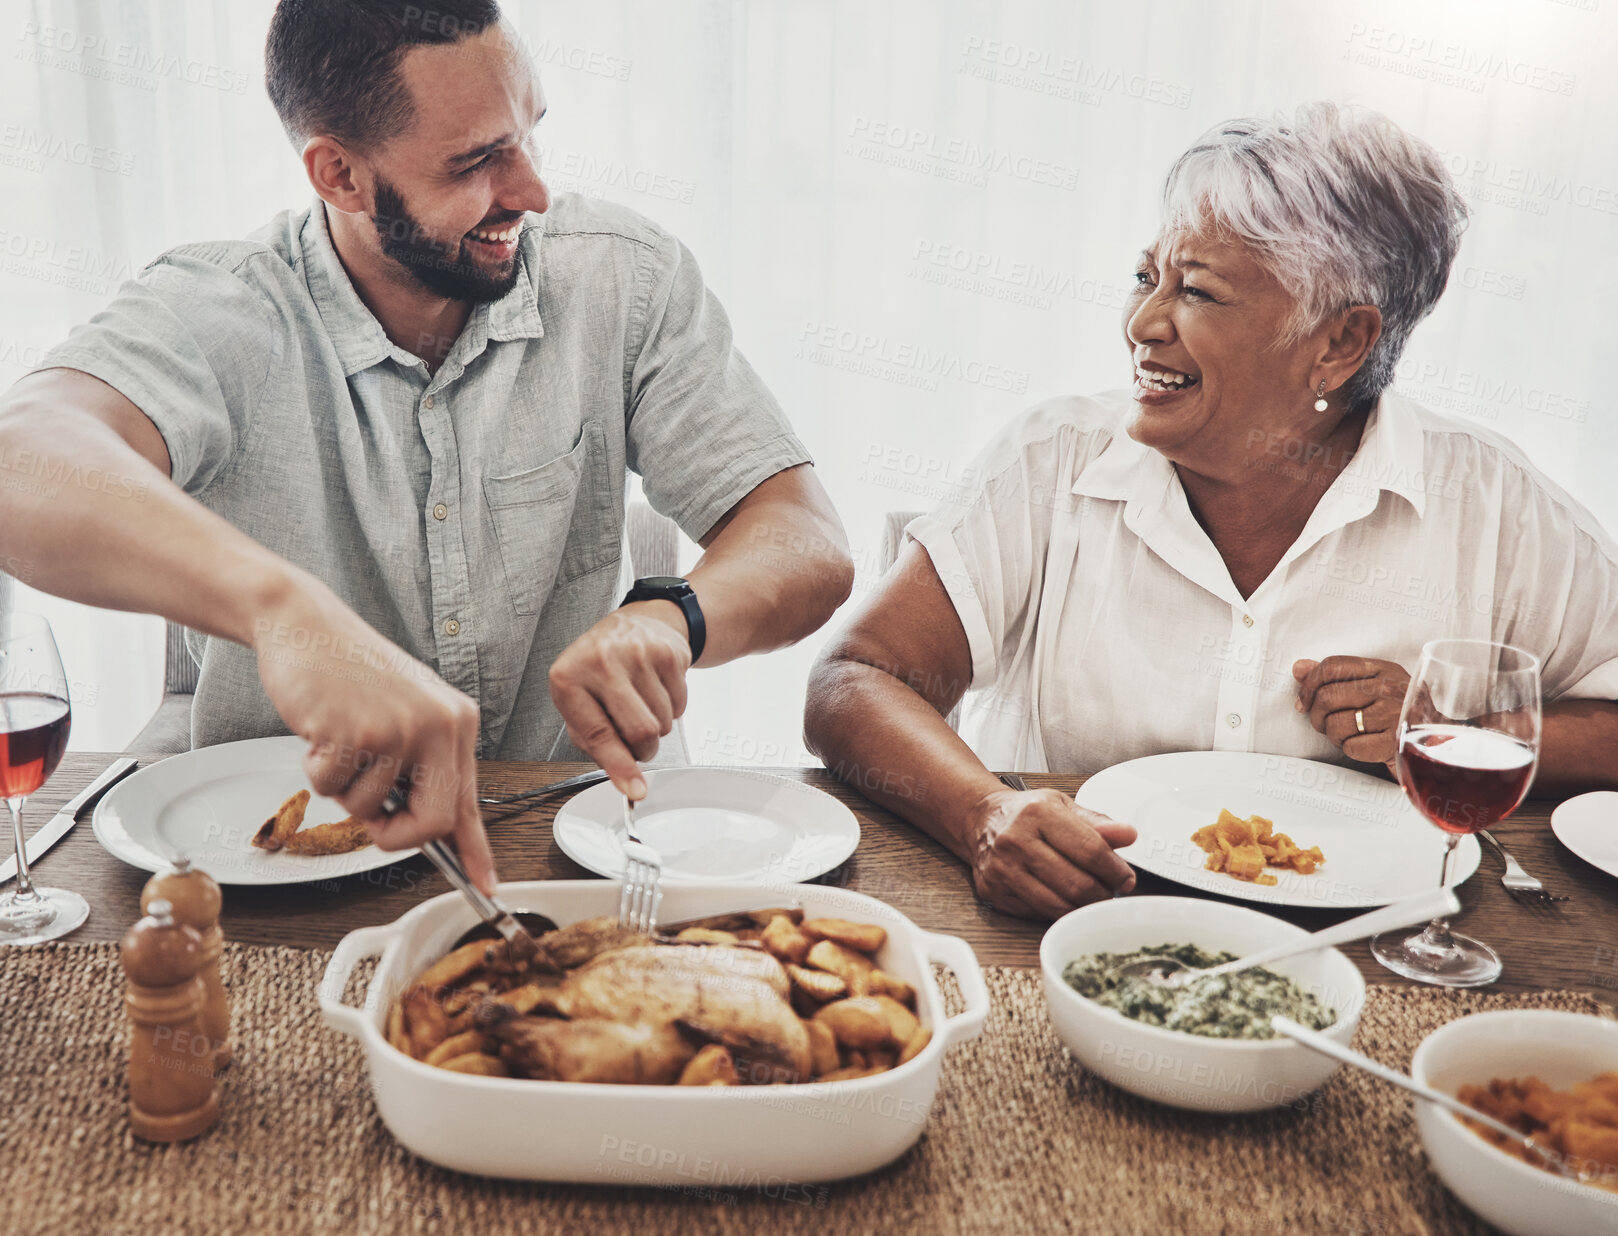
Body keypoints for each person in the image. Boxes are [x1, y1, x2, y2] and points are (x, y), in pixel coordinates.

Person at [0, 0, 853, 891]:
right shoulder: (220, 310)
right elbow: (22, 455)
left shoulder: (622, 278)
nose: (532, 192)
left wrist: (674, 618)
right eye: (478, 160)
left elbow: (806, 537)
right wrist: (287, 615)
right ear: (339, 175)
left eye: (528, 137)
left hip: (577, 843)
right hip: (277, 867)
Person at [804, 102, 1618, 921]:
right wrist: (984, 811)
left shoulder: (1491, 504)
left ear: (1339, 342)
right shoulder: (1055, 457)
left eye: (1195, 291)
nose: (1141, 324)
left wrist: (1456, 726)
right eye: (1145, 277)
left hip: (1380, 949)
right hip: (1069, 929)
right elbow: (854, 680)